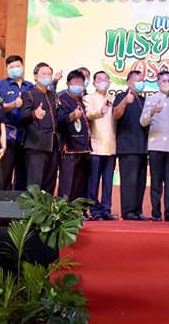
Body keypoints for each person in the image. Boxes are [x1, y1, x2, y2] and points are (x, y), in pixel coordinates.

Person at [140, 70, 169, 221]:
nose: (167, 83)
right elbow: (143, 122)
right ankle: (156, 213)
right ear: (158, 83)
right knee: (156, 182)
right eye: (163, 81)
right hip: (156, 146)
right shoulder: (151, 99)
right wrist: (152, 111)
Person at [114, 70, 149, 220]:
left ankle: (137, 210)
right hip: (128, 147)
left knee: (141, 182)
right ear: (129, 82)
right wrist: (125, 102)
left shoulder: (143, 100)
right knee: (129, 181)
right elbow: (115, 115)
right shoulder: (121, 97)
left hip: (143, 147)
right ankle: (128, 211)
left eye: (142, 80)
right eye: (137, 80)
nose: (140, 83)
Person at [21, 62, 59, 193]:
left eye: (49, 74)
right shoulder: (28, 94)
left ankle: (47, 205)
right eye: (43, 74)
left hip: (53, 144)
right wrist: (34, 114)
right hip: (36, 144)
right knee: (35, 183)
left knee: (50, 182)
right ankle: (33, 206)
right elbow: (22, 117)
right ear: (35, 76)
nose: (47, 76)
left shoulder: (52, 95)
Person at [0, 55, 33, 190]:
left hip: (26, 136)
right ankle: (1, 200)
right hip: (8, 135)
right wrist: (13, 104)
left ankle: (19, 201)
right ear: (7, 69)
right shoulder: (1, 85)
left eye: (17, 66)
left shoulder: (30, 86)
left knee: (22, 174)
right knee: (4, 174)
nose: (15, 69)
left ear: (22, 67)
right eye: (11, 67)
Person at [84, 70, 117, 220]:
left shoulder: (114, 99)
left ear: (109, 82)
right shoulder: (88, 98)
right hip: (95, 146)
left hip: (111, 146)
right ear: (94, 82)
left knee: (108, 182)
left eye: (105, 79)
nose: (103, 81)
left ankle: (106, 209)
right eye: (99, 79)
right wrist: (100, 111)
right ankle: (94, 210)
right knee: (93, 182)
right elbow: (88, 115)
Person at [56, 70, 91, 202]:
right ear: (68, 84)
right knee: (67, 183)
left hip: (83, 148)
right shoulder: (62, 99)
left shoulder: (82, 100)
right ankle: (63, 209)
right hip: (69, 148)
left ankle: (76, 210)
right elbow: (59, 120)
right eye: (74, 83)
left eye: (80, 83)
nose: (78, 86)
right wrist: (71, 116)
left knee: (79, 184)